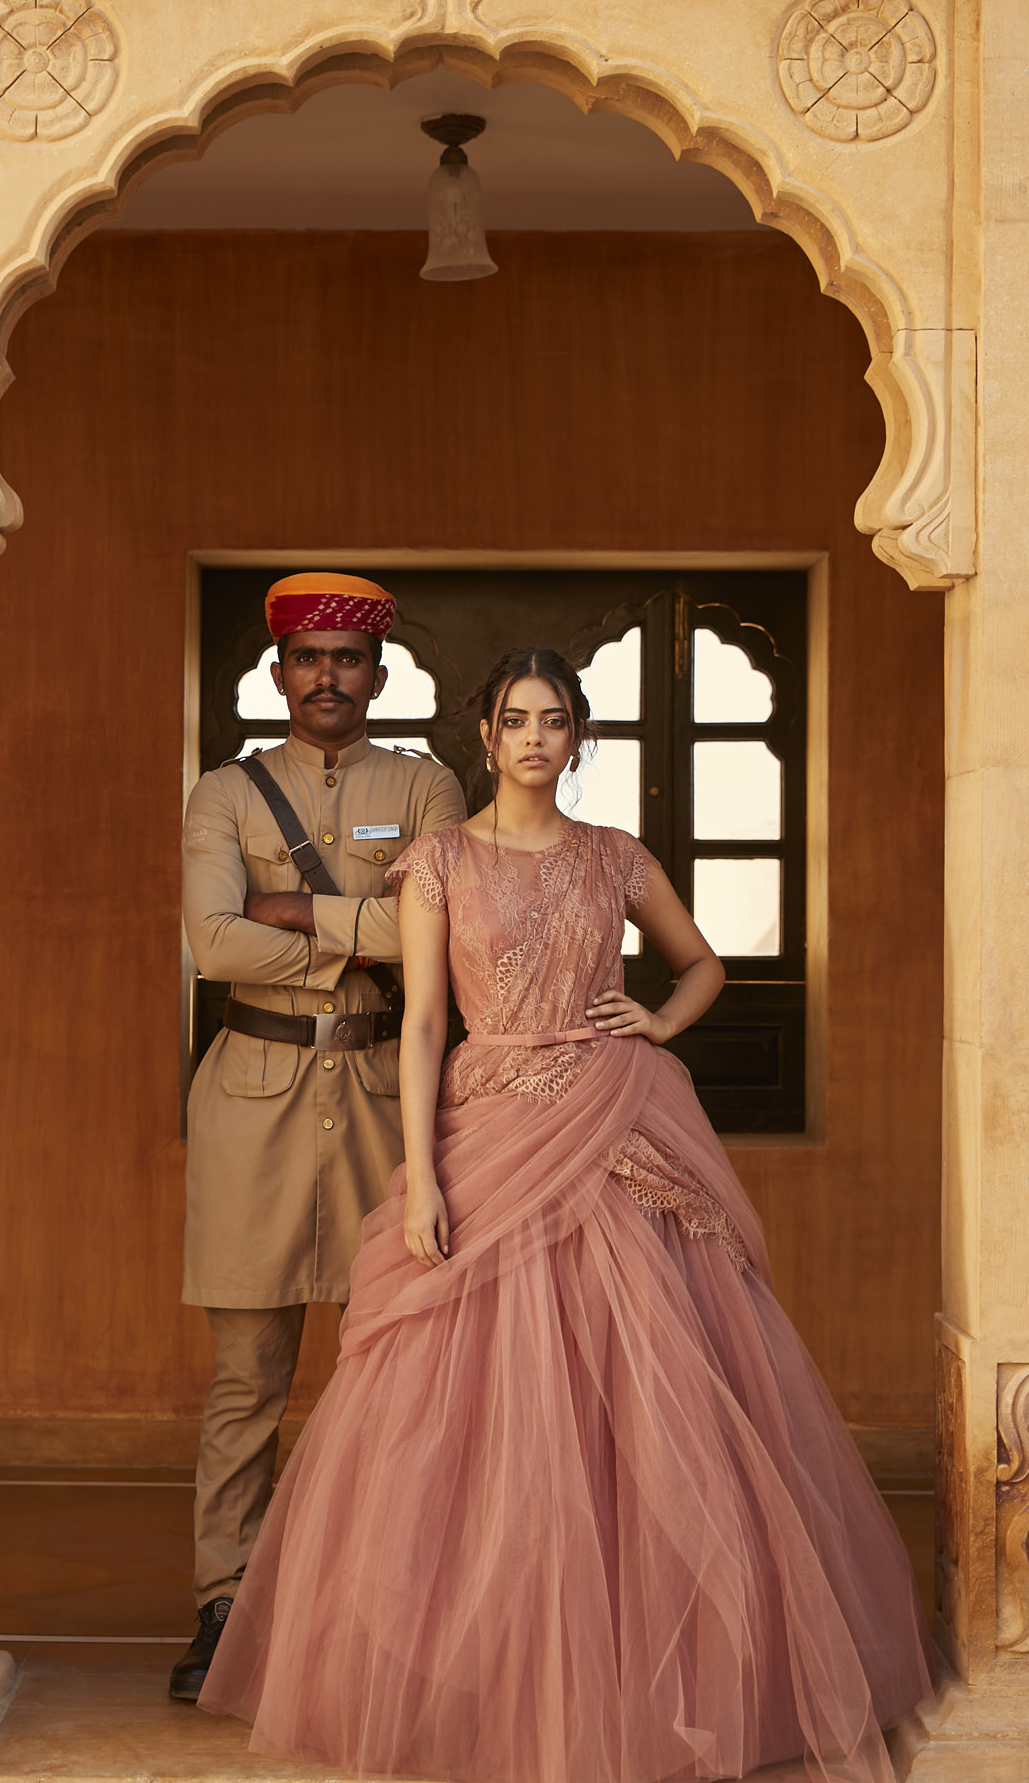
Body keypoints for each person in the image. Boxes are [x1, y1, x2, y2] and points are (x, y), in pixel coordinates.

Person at [198, 646, 936, 1782]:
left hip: (612, 1122)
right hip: (483, 1132)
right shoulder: (440, 861)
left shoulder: (615, 857)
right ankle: (488, 1668)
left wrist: (654, 1024)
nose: (533, 738)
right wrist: (425, 1179)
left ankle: (641, 1654)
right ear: (483, 740)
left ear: (577, 738)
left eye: (552, 720)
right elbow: (427, 1024)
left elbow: (699, 967)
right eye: (513, 721)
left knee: (645, 1380)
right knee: (476, 1400)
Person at [171, 571, 466, 1702]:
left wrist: (296, 913)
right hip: (250, 1095)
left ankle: (378, 1604)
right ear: (276, 672)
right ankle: (223, 1602)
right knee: (246, 1376)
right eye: (307, 658)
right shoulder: (223, 794)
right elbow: (212, 944)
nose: (326, 677)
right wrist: (359, 937)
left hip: (387, 1102)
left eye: (347, 658)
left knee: (387, 1368)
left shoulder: (428, 784)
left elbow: (441, 924)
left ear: (377, 675)